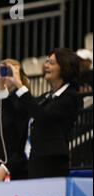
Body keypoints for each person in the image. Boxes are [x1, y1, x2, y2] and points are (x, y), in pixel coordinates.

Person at [8, 48, 82, 178]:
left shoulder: (71, 96)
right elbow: (19, 110)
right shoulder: (45, 97)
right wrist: (3, 90)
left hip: (53, 163)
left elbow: (43, 117)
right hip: (35, 161)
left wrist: (20, 86)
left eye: (52, 63)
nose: (45, 65)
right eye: (46, 61)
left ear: (65, 67)